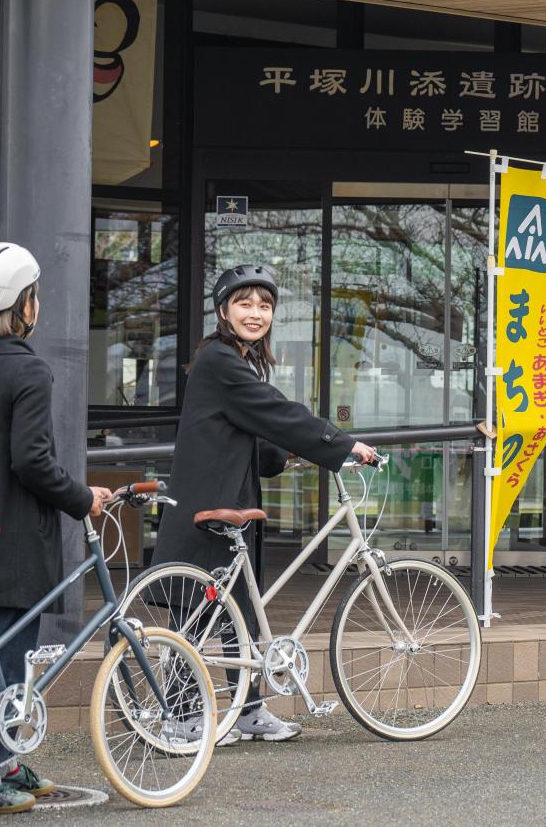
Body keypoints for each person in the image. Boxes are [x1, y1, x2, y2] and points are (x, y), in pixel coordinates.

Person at [153, 263, 378, 744]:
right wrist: (340, 444)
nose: (256, 313)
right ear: (222, 310)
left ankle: (248, 708)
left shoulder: (242, 358)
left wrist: (288, 454)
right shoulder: (219, 359)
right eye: (244, 303)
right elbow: (275, 410)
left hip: (233, 496)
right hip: (207, 501)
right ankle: (180, 716)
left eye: (265, 305)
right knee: (195, 609)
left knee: (241, 607)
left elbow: (251, 428)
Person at [0, 242, 113, 814]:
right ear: (25, 303)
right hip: (6, 541)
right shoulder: (28, 368)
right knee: (2, 661)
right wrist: (83, 498)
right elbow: (32, 460)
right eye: (36, 295)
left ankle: (2, 760)